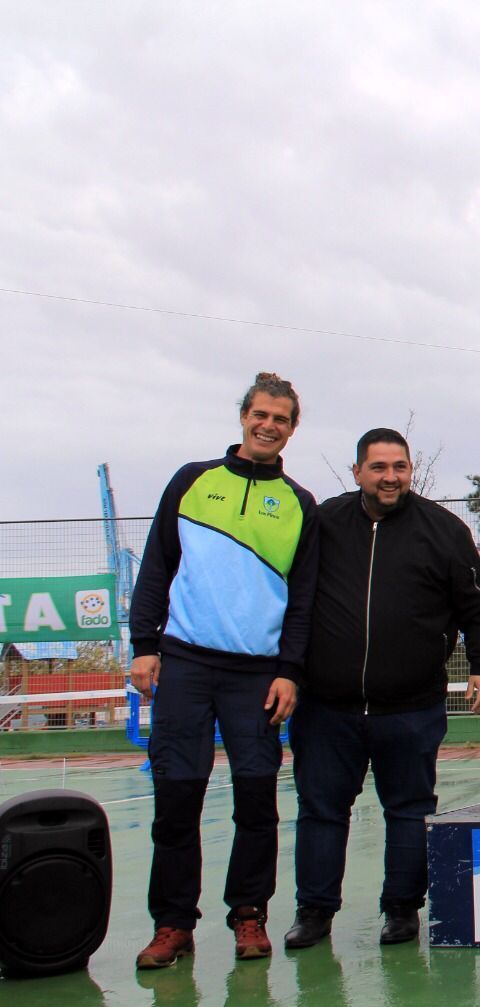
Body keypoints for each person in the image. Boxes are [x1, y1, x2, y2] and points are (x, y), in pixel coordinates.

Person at [285, 428, 480, 949]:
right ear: (357, 471)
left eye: (399, 467)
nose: (390, 477)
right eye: (379, 467)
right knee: (320, 811)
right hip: (326, 707)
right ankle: (314, 912)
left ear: (410, 470)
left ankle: (402, 910)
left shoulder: (443, 530)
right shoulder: (323, 523)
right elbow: (292, 597)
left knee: (408, 810)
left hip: (411, 706)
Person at [129, 372, 319, 968]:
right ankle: (172, 924)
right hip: (184, 664)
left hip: (257, 675)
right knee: (176, 796)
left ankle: (249, 915)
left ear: (292, 429)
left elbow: (304, 600)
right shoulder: (192, 480)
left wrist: (290, 671)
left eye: (281, 419)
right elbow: (156, 566)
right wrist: (144, 643)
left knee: (257, 799)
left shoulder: (300, 504)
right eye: (261, 414)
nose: (268, 425)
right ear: (243, 417)